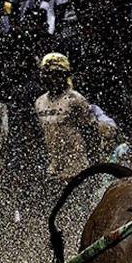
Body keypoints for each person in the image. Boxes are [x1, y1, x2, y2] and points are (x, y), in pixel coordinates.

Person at [33, 52, 100, 180]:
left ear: (64, 76)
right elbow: (41, 135)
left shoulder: (75, 99)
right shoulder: (39, 102)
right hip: (53, 167)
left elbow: (91, 132)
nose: (50, 78)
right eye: (46, 74)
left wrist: (94, 166)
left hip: (76, 166)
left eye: (55, 74)